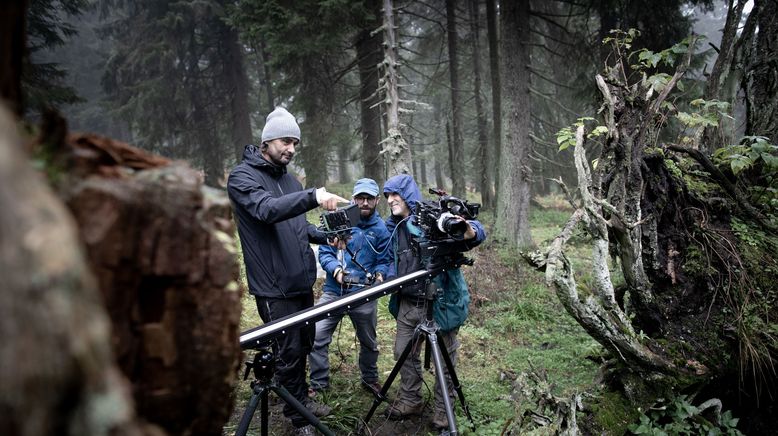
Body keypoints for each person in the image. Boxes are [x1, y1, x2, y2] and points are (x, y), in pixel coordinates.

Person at [227, 107, 348, 435]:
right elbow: (267, 211)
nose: (291, 149)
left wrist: (326, 237)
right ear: (267, 141)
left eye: (295, 142)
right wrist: (313, 196)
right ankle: (297, 420)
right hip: (273, 286)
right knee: (288, 350)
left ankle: (300, 401)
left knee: (304, 342)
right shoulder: (243, 178)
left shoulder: (291, 179)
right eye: (285, 141)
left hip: (300, 282)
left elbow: (298, 226)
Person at [381, 174, 486, 431]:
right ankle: (410, 399)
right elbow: (377, 244)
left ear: (407, 194)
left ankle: (443, 410)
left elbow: (472, 230)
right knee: (402, 351)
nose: (391, 200)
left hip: (441, 301)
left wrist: (469, 230)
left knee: (444, 360)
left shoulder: (432, 216)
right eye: (387, 196)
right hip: (407, 301)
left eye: (395, 194)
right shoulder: (392, 226)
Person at [309, 178, 392, 396]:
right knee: (316, 335)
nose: (365, 203)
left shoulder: (381, 229)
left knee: (369, 341)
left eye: (369, 199)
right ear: (354, 199)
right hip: (333, 292)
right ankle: (318, 384)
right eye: (360, 198)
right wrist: (336, 270)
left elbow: (385, 259)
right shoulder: (338, 221)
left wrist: (381, 274)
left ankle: (370, 378)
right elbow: (325, 252)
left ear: (376, 201)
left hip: (363, 293)